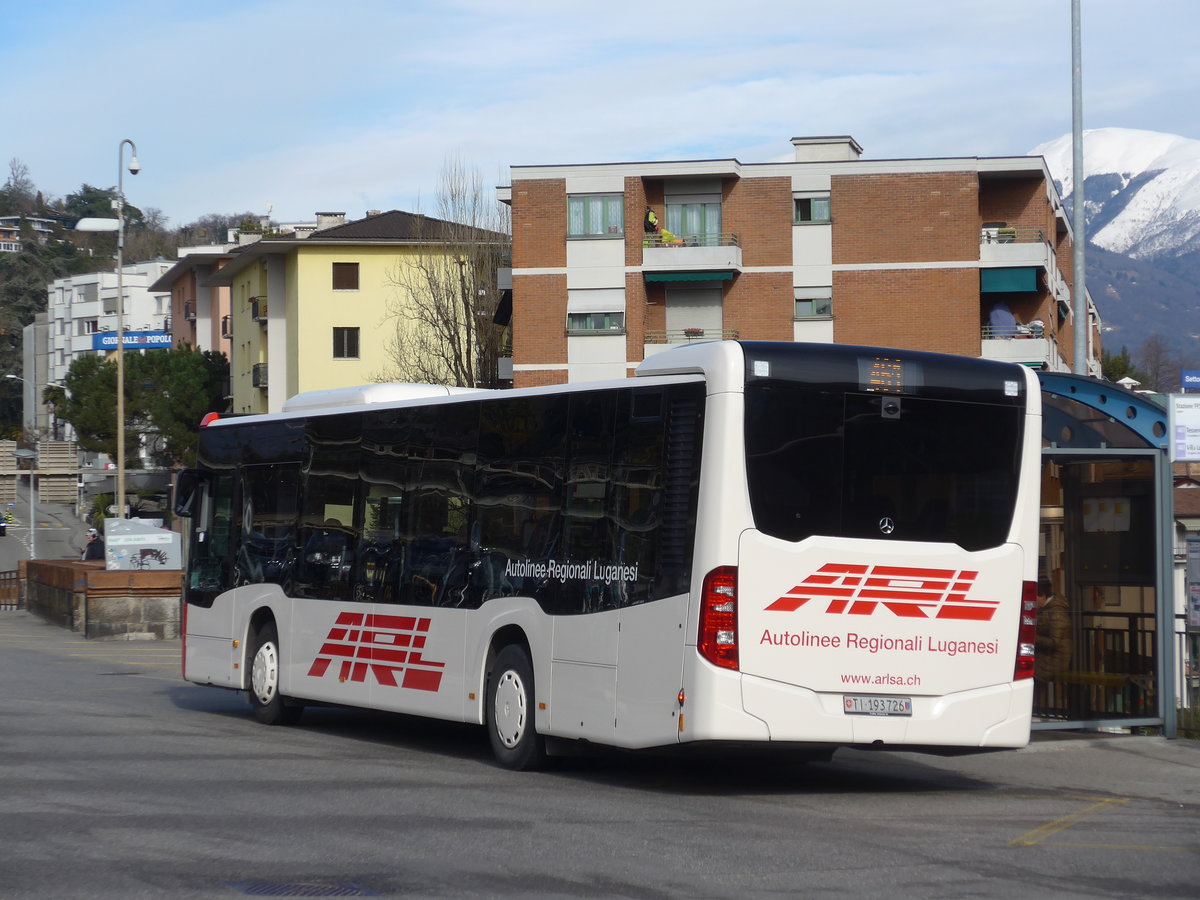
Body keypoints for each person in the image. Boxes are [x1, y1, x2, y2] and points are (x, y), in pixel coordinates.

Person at [1034, 576, 1072, 680]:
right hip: (1044, 656)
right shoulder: (1045, 608)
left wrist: (1032, 637)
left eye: (1034, 598)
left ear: (1043, 596)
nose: (1032, 602)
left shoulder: (1057, 614)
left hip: (1053, 662)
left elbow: (1054, 642)